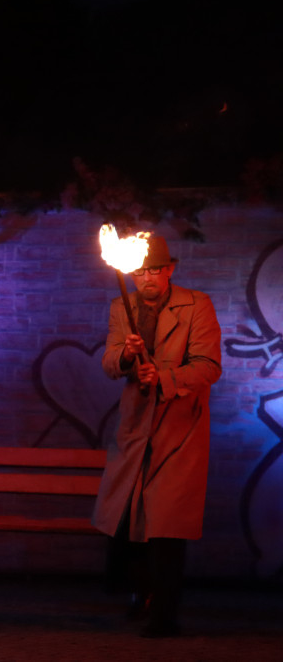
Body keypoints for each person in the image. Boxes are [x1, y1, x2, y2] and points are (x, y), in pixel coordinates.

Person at [92, 235, 222, 638]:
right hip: (135, 427)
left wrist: (164, 377)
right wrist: (129, 356)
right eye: (141, 270)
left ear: (169, 270)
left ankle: (164, 613)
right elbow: (111, 362)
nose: (147, 277)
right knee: (131, 516)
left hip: (178, 425)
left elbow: (208, 366)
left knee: (167, 522)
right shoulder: (122, 306)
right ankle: (140, 595)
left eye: (155, 269)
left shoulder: (196, 304)